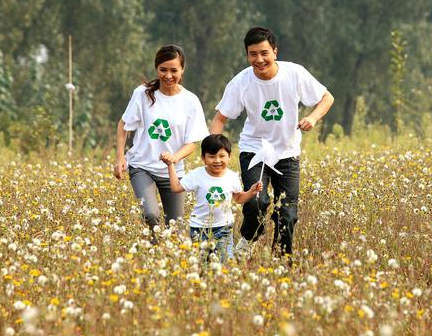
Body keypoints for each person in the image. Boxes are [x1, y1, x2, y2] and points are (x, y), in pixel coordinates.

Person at [210, 26, 335, 259]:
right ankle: (249, 238)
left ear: (275, 52)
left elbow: (327, 97)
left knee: (288, 214)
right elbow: (220, 118)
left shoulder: (294, 73)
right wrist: (213, 151)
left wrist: (313, 117)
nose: (259, 60)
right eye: (253, 54)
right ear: (247, 55)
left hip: (287, 153)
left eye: (264, 53)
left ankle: (281, 262)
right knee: (257, 202)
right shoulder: (240, 82)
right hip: (254, 150)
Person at [114, 44, 208, 242]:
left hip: (172, 170)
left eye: (174, 70)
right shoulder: (143, 93)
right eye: (163, 70)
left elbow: (191, 143)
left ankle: (167, 262)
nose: (168, 75)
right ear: (156, 68)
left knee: (176, 227)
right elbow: (124, 124)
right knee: (151, 214)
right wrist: (120, 156)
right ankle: (155, 250)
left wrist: (174, 158)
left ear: (182, 69)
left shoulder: (190, 101)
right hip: (142, 166)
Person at [160, 134, 262, 263]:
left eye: (222, 156)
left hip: (224, 228)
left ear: (229, 157)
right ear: (203, 158)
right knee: (202, 265)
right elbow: (176, 187)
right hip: (199, 229)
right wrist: (170, 165)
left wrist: (251, 192)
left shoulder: (232, 177)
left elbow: (239, 198)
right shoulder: (196, 175)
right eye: (212, 156)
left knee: (224, 264)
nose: (217, 160)